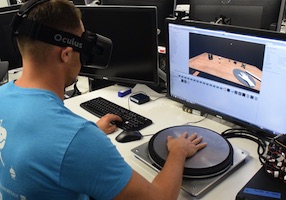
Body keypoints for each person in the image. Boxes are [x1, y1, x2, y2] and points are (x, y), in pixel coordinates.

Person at [0, 0, 207, 199]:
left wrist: (91, 133)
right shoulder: (77, 139)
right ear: (66, 54)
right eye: (83, 43)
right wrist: (178, 152)